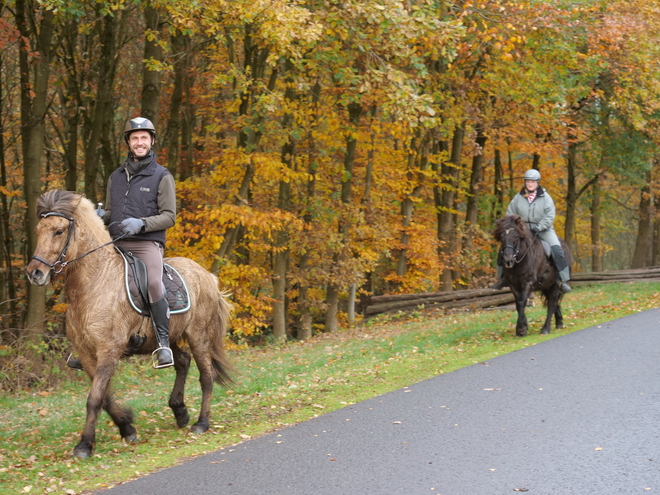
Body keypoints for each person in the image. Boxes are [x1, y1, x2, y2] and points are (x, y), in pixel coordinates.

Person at [68, 117, 177, 370]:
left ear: (151, 141)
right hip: (115, 243)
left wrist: (141, 223)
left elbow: (169, 216)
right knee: (86, 280)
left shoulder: (162, 176)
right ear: (128, 142)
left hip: (146, 243)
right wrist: (101, 217)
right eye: (135, 138)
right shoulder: (115, 177)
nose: (139, 142)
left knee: (152, 282)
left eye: (144, 138)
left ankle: (163, 343)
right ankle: (85, 346)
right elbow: (109, 211)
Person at [491, 168, 572, 293]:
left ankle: (561, 280)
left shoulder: (546, 198)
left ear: (537, 183)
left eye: (532, 182)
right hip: (522, 229)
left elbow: (549, 216)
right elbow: (510, 214)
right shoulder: (518, 197)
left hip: (543, 229)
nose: (530, 184)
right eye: (528, 181)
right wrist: (514, 227)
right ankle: (503, 278)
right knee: (505, 247)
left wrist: (539, 227)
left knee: (556, 249)